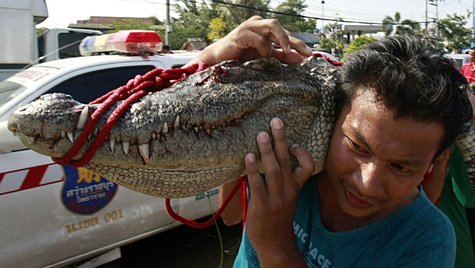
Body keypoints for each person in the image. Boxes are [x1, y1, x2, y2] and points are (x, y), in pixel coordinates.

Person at [188, 16, 473, 267]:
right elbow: (232, 215)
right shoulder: (292, 157)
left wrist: (275, 246)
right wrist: (219, 60)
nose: (366, 184)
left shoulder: (427, 240)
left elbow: (262, 239)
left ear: (433, 164)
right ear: (334, 119)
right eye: (357, 146)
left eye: (401, 167)